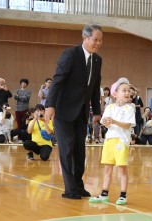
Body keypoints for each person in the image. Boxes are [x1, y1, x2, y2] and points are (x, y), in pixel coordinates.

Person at [45, 24, 103, 200]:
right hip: (63, 111)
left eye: (101, 40)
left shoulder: (97, 60)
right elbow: (57, 81)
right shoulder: (70, 55)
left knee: (80, 150)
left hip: (82, 112)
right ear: (85, 38)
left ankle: (78, 186)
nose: (98, 43)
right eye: (95, 39)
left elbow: (94, 87)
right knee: (67, 148)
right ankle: (69, 189)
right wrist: (50, 105)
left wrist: (97, 111)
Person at [89, 77, 135, 205]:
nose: (127, 93)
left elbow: (127, 125)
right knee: (107, 169)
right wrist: (105, 122)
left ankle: (123, 195)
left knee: (122, 169)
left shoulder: (130, 108)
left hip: (121, 141)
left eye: (128, 91)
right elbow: (106, 124)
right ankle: (104, 194)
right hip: (109, 140)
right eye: (124, 90)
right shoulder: (109, 107)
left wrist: (113, 121)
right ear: (115, 93)